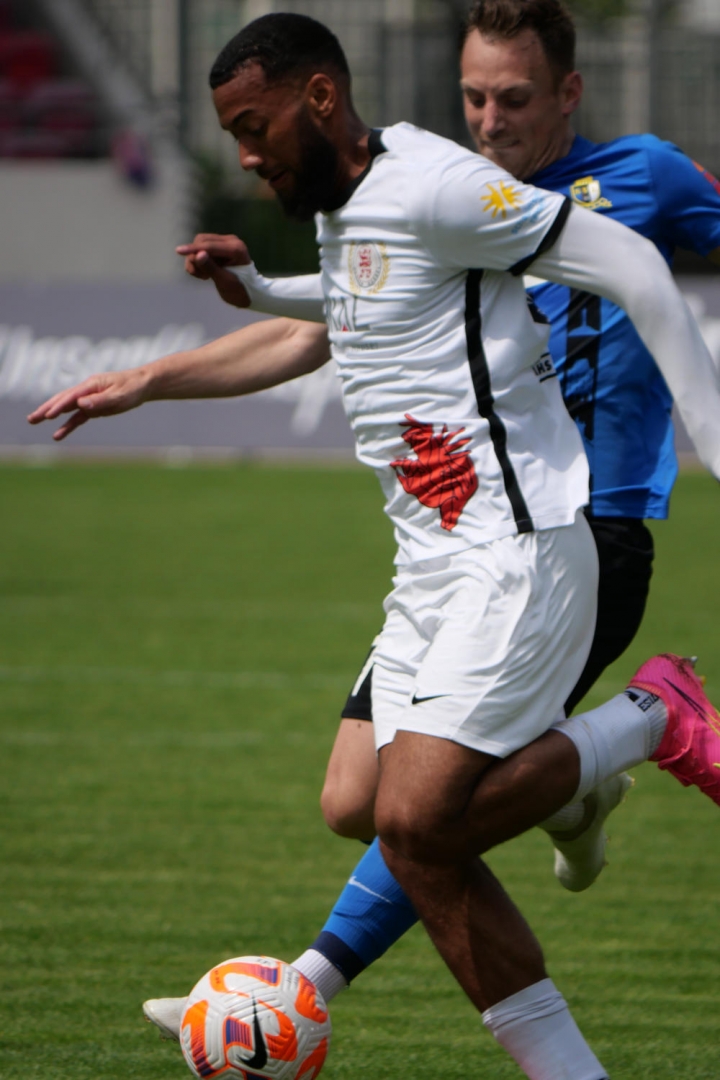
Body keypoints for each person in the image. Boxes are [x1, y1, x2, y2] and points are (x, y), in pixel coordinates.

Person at [28, 12, 720, 1080]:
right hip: (432, 563)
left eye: (252, 129)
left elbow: (629, 259)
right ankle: (580, 776)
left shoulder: (449, 185)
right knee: (359, 804)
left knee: (419, 822)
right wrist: (190, 347)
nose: (243, 157)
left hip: (525, 545)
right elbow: (354, 301)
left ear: (316, 99)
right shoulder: (357, 201)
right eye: (476, 96)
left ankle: (639, 726)